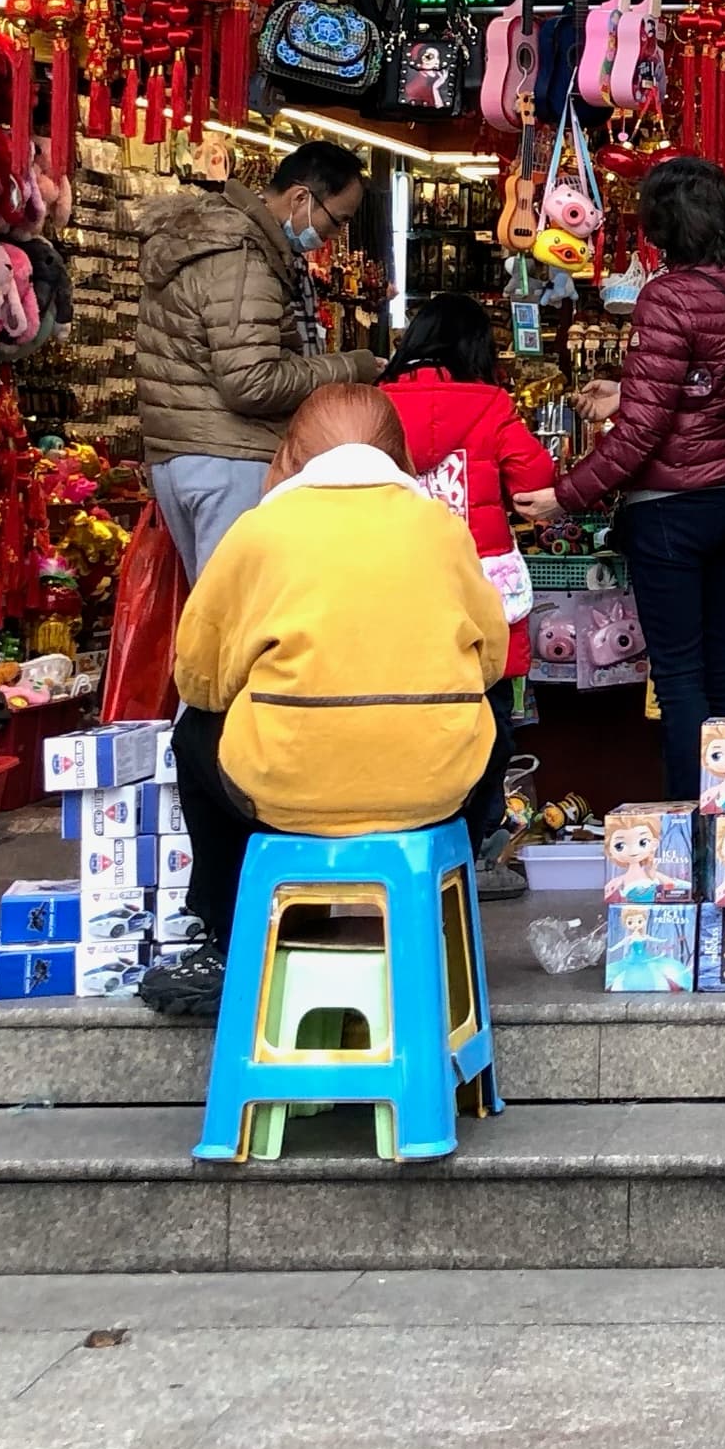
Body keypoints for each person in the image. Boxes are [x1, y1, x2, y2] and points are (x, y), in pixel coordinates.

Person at [140, 385, 512, 1020]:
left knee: (197, 729)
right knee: (495, 702)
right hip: (434, 790)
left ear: (287, 459)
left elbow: (198, 677)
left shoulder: (258, 532)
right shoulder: (441, 528)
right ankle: (469, 849)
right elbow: (493, 658)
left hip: (283, 792)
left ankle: (225, 932)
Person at [563, 155, 725, 793]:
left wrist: (567, 496)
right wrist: (631, 391)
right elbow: (713, 390)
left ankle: (689, 829)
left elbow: (645, 435)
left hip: (670, 508)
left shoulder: (668, 297)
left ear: (662, 227)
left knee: (679, 677)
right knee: (724, 669)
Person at [135, 138, 383, 577]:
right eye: (335, 220)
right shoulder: (242, 258)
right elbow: (251, 382)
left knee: (218, 613)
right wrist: (351, 368)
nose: (332, 236)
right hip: (227, 456)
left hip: (187, 452)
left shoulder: (215, 242)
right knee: (238, 616)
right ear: (301, 197)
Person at [381, 296, 560, 903]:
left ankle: (409, 834)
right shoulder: (490, 405)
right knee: (486, 715)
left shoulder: (374, 406)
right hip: (480, 587)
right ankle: (477, 845)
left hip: (401, 584)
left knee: (404, 710)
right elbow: (536, 479)